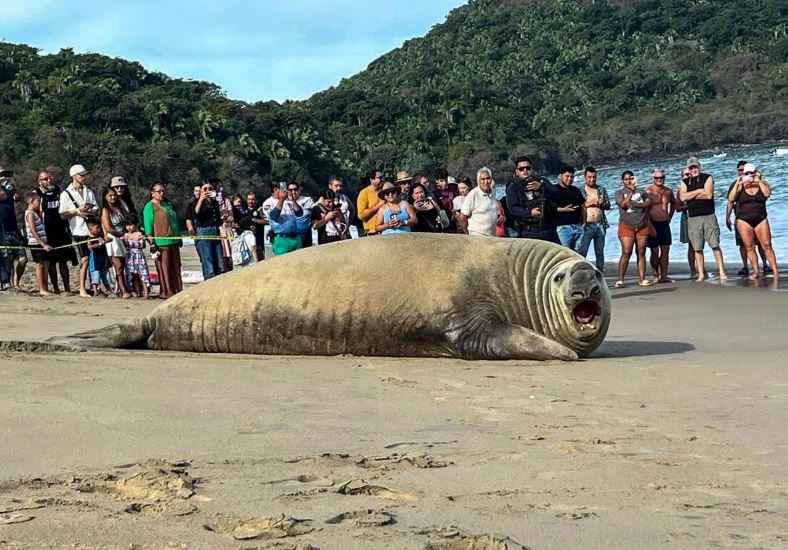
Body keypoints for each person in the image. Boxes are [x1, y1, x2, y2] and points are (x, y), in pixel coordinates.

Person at [678, 157, 727, 282]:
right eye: (691, 168)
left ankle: (722, 271)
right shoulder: (685, 182)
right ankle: (700, 274)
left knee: (715, 245)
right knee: (697, 248)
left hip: (708, 216)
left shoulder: (707, 177)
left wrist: (691, 195)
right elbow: (682, 197)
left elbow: (708, 195)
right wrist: (699, 191)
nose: (693, 169)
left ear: (699, 166)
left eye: (695, 167)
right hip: (693, 218)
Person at [727, 163, 778, 279]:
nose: (749, 175)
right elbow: (731, 198)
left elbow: (767, 194)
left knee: (767, 245)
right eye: (747, 173)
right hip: (744, 220)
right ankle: (756, 271)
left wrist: (758, 180)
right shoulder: (739, 186)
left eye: (752, 173)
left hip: (761, 219)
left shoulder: (762, 184)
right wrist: (739, 182)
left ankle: (775, 270)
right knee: (749, 246)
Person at [59, 164, 99, 297]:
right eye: (82, 175)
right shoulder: (66, 194)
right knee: (84, 259)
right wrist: (77, 211)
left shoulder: (88, 191)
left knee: (93, 258)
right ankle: (82, 288)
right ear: (74, 176)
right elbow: (63, 214)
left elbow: (96, 209)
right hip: (78, 230)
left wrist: (88, 212)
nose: (84, 177)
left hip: (91, 229)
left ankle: (94, 286)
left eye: (85, 175)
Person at [35, 170, 75, 294]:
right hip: (47, 232)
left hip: (61, 231)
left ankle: (67, 288)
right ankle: (55, 288)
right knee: (51, 262)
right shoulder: (37, 194)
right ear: (40, 181)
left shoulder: (58, 191)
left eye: (50, 178)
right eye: (45, 179)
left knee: (63, 261)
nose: (49, 180)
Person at [505, 156, 559, 243]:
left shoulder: (542, 181)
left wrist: (541, 187)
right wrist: (530, 213)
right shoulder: (513, 187)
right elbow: (513, 209)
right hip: (529, 231)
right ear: (517, 171)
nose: (525, 170)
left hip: (549, 229)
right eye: (521, 169)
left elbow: (557, 195)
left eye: (528, 168)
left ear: (532, 169)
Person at [614, 171, 654, 288]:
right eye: (626, 179)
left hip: (642, 225)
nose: (629, 181)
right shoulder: (619, 192)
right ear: (623, 181)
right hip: (626, 226)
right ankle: (620, 279)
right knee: (626, 251)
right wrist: (631, 193)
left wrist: (636, 205)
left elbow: (649, 202)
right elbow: (623, 205)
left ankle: (642, 279)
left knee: (641, 252)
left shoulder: (642, 191)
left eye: (631, 178)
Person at [142, 182, 182, 298]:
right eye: (159, 191)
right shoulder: (149, 207)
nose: (161, 193)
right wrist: (152, 243)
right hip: (161, 243)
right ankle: (167, 291)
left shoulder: (168, 205)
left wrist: (179, 237)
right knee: (164, 268)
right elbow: (148, 227)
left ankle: (177, 290)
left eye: (163, 191)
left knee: (176, 267)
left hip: (174, 240)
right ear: (152, 193)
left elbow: (174, 222)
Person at [645, 168, 679, 283]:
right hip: (652, 223)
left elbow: (674, 203)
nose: (659, 180)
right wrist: (650, 226)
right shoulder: (648, 192)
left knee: (665, 250)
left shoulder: (668, 191)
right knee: (654, 251)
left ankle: (664, 275)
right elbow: (645, 211)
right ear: (653, 178)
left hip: (664, 223)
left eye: (661, 177)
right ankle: (656, 274)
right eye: (657, 178)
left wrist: (670, 216)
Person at [577, 166, 611, 273]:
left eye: (594, 177)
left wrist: (602, 203)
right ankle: (582, 273)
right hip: (586, 225)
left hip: (600, 224)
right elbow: (576, 207)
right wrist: (588, 203)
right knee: (582, 251)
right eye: (589, 177)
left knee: (599, 252)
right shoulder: (580, 190)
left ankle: (600, 273)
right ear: (585, 177)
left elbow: (608, 205)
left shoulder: (601, 189)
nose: (592, 179)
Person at [100, 186, 131, 298]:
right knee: (118, 266)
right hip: (113, 239)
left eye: (114, 195)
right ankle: (123, 290)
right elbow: (108, 228)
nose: (113, 197)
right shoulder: (105, 210)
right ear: (105, 197)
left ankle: (126, 288)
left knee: (124, 264)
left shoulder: (120, 207)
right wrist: (121, 235)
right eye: (110, 195)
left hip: (123, 237)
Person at [0, 173, 27, 291]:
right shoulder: (4, 191)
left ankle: (16, 282)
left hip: (13, 227)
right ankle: (8, 283)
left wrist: (13, 183)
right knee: (7, 258)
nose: (3, 176)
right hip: (2, 229)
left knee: (23, 258)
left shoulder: (8, 188)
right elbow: (2, 196)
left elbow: (19, 197)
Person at [193, 180, 224, 280]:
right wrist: (201, 199)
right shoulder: (196, 202)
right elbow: (195, 214)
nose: (207, 191)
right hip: (204, 231)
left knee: (220, 262)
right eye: (205, 189)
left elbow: (217, 219)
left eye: (210, 189)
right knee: (208, 262)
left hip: (215, 231)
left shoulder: (215, 203)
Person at [458, 167, 503, 237]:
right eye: (483, 179)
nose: (486, 182)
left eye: (488, 178)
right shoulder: (473, 194)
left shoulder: (493, 192)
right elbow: (462, 216)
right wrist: (467, 233)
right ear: (478, 180)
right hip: (477, 235)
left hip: (492, 235)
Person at [23, 192, 53, 296]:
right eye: (38, 201)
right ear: (31, 201)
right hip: (36, 243)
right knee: (39, 265)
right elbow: (32, 230)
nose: (39, 203)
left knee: (46, 263)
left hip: (42, 242)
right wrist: (43, 244)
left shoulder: (34, 213)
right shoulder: (30, 213)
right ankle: (41, 289)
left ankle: (45, 287)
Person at [268, 183, 306, 255]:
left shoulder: (288, 201)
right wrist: (282, 199)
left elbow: (299, 213)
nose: (285, 191)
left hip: (295, 238)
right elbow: (274, 216)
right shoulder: (269, 202)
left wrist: (293, 200)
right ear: (276, 189)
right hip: (281, 239)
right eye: (282, 189)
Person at [553, 166, 586, 250]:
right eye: (567, 176)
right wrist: (563, 209)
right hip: (562, 227)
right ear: (560, 176)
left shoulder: (575, 190)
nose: (569, 179)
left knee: (578, 254)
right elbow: (548, 208)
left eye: (572, 177)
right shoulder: (553, 190)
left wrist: (584, 223)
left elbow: (583, 207)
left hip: (577, 226)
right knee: (565, 253)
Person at [675, 168, 697, 278]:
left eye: (690, 174)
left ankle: (701, 269)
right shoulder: (680, 191)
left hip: (698, 217)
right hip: (687, 218)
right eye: (686, 175)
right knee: (691, 245)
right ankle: (693, 270)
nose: (688, 176)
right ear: (682, 177)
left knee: (700, 245)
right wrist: (689, 206)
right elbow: (677, 207)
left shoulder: (697, 187)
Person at [122, 217, 151, 299]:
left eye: (131, 225)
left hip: (139, 256)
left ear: (136, 225)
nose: (129, 227)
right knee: (132, 274)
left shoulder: (139, 234)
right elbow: (126, 246)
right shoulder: (126, 235)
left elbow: (143, 246)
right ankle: (136, 291)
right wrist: (124, 241)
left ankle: (146, 293)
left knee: (143, 274)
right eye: (127, 225)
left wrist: (142, 241)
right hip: (130, 256)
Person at [86, 219, 113, 297]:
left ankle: (110, 291)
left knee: (106, 276)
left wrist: (104, 240)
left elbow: (110, 239)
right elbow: (90, 246)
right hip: (95, 261)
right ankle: (95, 292)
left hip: (104, 260)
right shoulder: (89, 239)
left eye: (99, 227)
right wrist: (99, 244)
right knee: (96, 276)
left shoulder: (101, 236)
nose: (99, 229)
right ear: (91, 229)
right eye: (97, 228)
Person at [214, 179, 235, 272]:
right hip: (218, 230)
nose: (221, 189)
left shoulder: (227, 201)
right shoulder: (212, 202)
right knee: (220, 257)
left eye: (222, 187)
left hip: (227, 230)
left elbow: (232, 218)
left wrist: (225, 218)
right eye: (219, 187)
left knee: (229, 256)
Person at [357, 169, 385, 236]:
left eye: (382, 177)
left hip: (385, 230)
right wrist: (379, 205)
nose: (382, 180)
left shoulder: (383, 192)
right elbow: (361, 215)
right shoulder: (364, 193)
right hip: (372, 232)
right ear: (371, 180)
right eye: (379, 178)